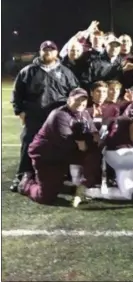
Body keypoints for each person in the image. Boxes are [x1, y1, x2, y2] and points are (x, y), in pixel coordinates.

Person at [10, 41, 80, 192]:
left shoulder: (66, 72)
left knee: (60, 144)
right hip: (35, 115)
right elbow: (17, 93)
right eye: (45, 50)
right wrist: (19, 111)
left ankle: (62, 175)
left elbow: (75, 93)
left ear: (57, 52)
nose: (48, 52)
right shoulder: (28, 71)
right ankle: (23, 175)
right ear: (40, 52)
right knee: (28, 143)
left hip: (58, 117)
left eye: (51, 50)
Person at [18, 88, 99, 205]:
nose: (81, 103)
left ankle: (83, 186)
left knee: (95, 153)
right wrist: (87, 141)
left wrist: (88, 141)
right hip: (47, 155)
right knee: (46, 197)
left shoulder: (84, 113)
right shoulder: (59, 115)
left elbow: (93, 134)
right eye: (77, 99)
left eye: (84, 100)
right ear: (68, 99)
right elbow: (69, 142)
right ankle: (26, 184)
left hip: (64, 153)